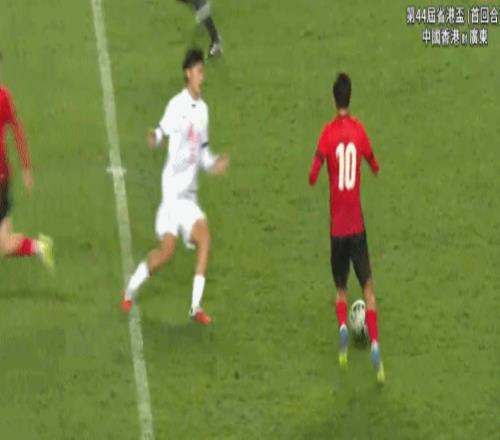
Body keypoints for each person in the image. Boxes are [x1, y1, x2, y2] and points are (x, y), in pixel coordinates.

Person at [121, 48, 229, 325]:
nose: (202, 76)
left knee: (205, 237)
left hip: (188, 196)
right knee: (165, 253)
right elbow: (161, 130)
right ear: (187, 74)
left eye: (203, 71)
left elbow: (203, 151)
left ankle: (195, 306)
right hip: (172, 194)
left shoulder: (204, 110)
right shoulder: (177, 105)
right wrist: (154, 137)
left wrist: (213, 164)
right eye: (198, 71)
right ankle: (130, 291)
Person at [308, 73, 384, 383]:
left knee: (341, 289)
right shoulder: (359, 131)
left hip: (337, 228)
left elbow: (312, 175)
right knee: (368, 288)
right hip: (357, 225)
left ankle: (342, 330)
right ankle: (375, 344)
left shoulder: (327, 134)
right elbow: (374, 164)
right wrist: (371, 166)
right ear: (350, 98)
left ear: (333, 99)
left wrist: (323, 169)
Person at [0, 52, 53, 269]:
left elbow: (17, 130)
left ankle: (40, 247)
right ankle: (40, 247)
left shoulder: (3, 98)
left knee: (6, 246)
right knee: (5, 244)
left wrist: (26, 168)